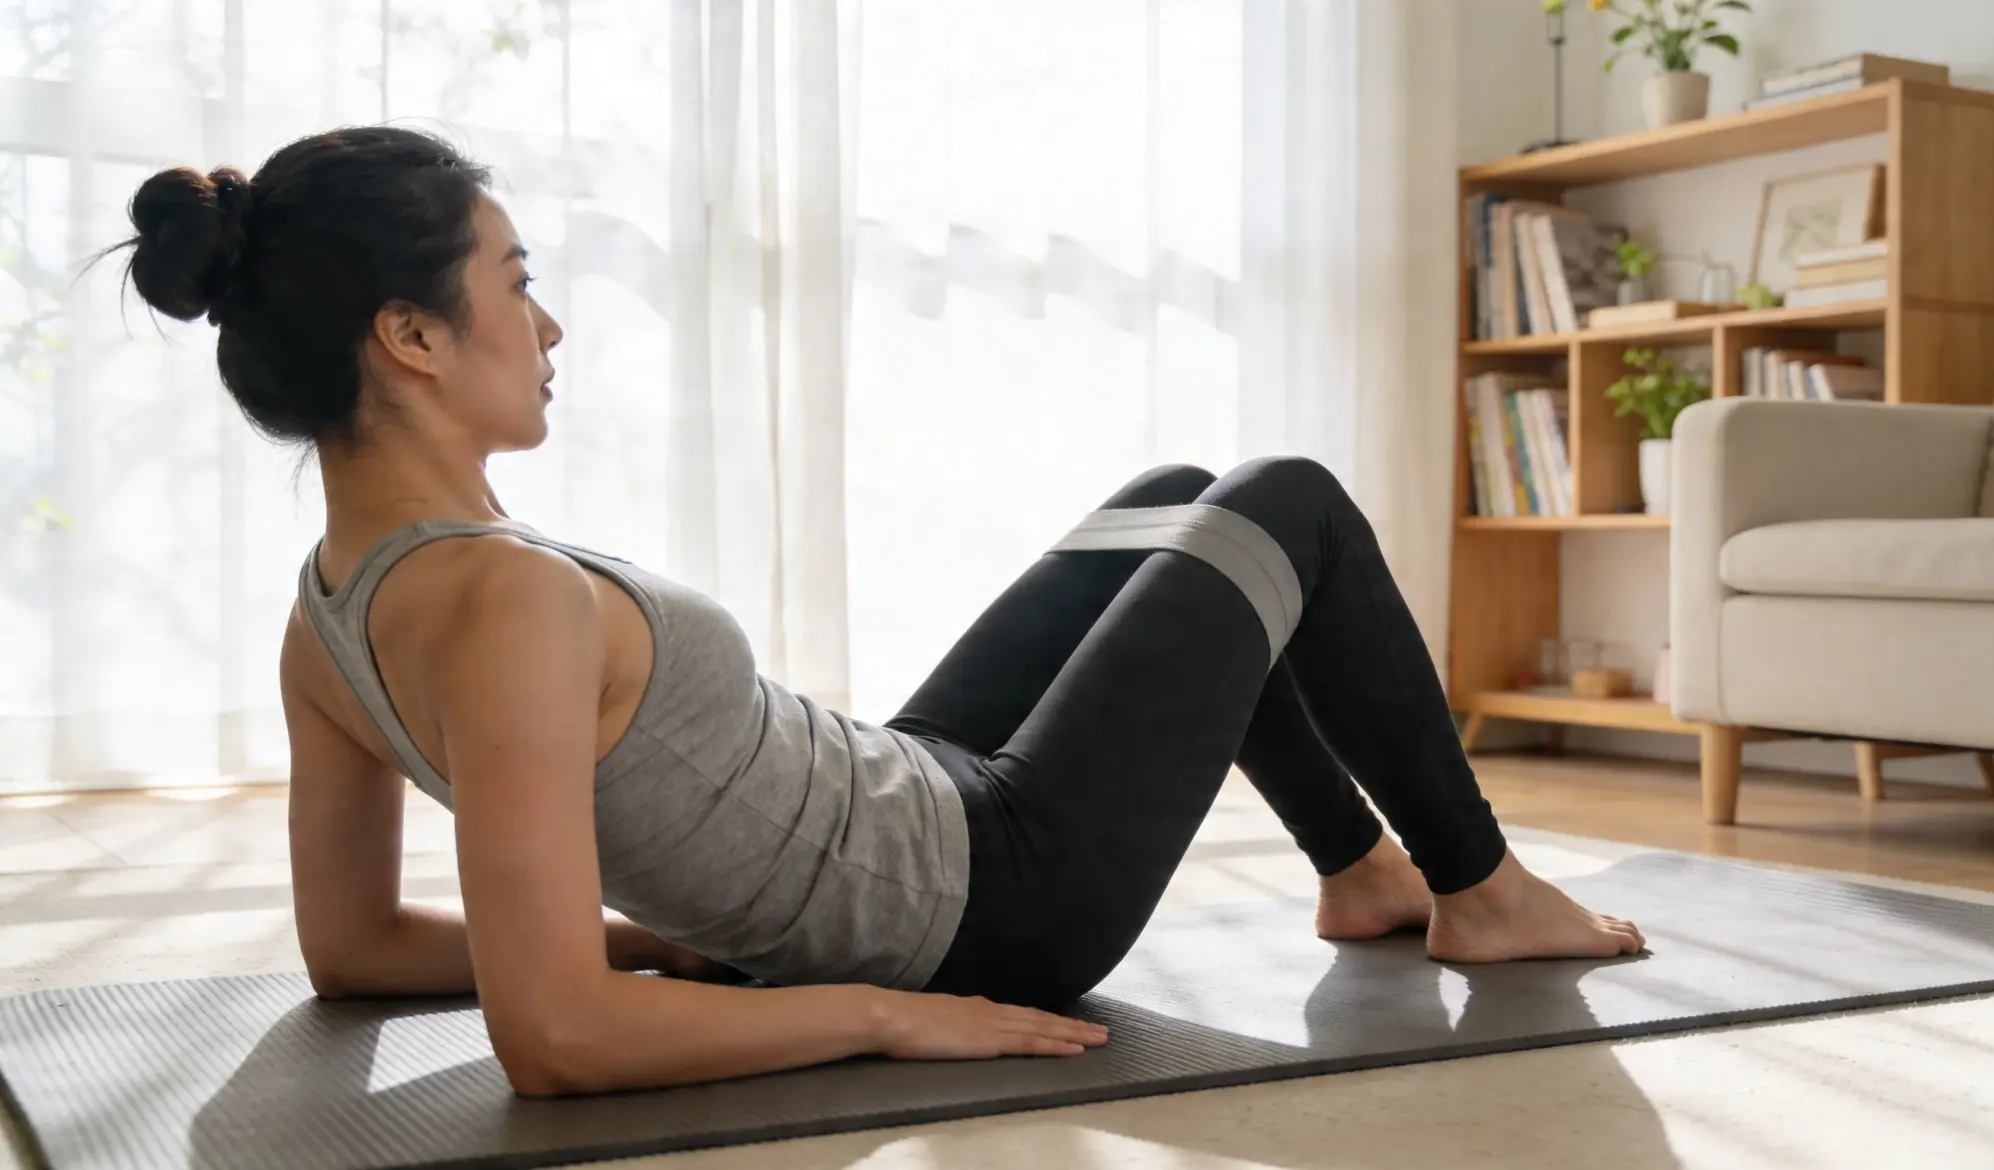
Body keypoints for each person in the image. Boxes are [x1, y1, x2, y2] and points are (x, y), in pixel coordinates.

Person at [112, 126, 1644, 1099]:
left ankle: (1361, 870)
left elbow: (354, 945)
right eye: (516, 282)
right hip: (989, 901)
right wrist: (875, 1014)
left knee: (1179, 498)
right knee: (1287, 500)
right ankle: (1482, 886)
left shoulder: (327, 619)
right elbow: (556, 1036)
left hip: (905, 795)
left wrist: (661, 937)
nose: (550, 321)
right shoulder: (501, 603)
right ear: (409, 335)